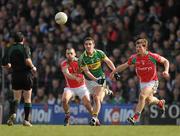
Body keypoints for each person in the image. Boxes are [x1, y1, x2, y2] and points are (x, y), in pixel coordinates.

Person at [110, 37, 169, 125]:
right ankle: (159, 102)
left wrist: (166, 71)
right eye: (136, 47)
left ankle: (135, 117)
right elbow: (124, 65)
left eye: (140, 47)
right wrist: (113, 72)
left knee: (142, 96)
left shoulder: (152, 56)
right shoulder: (134, 58)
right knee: (148, 100)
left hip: (153, 81)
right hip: (142, 83)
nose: (137, 49)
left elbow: (165, 61)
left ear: (145, 48)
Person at [78, 37, 120, 125]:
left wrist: (115, 71)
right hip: (89, 81)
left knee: (96, 98)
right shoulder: (82, 58)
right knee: (90, 102)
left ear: (94, 45)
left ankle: (94, 118)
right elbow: (87, 72)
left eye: (90, 44)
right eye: (86, 44)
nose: (88, 46)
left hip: (100, 78)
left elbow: (108, 61)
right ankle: (106, 90)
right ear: (84, 46)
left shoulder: (99, 53)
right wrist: (95, 80)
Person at [2, 32, 37, 126]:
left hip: (15, 75)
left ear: (13, 40)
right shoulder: (25, 47)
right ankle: (26, 120)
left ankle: (13, 113)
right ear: (23, 40)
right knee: (27, 98)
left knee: (16, 98)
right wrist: (33, 67)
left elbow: (4, 63)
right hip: (26, 75)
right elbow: (27, 60)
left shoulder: (9, 48)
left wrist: (9, 65)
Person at [60, 48, 93, 126]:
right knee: (64, 100)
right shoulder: (64, 63)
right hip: (70, 87)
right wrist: (75, 77)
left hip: (81, 87)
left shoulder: (80, 62)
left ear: (75, 54)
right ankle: (67, 116)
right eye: (68, 54)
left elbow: (87, 71)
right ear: (66, 55)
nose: (69, 55)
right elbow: (67, 74)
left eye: (71, 53)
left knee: (87, 105)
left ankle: (95, 118)